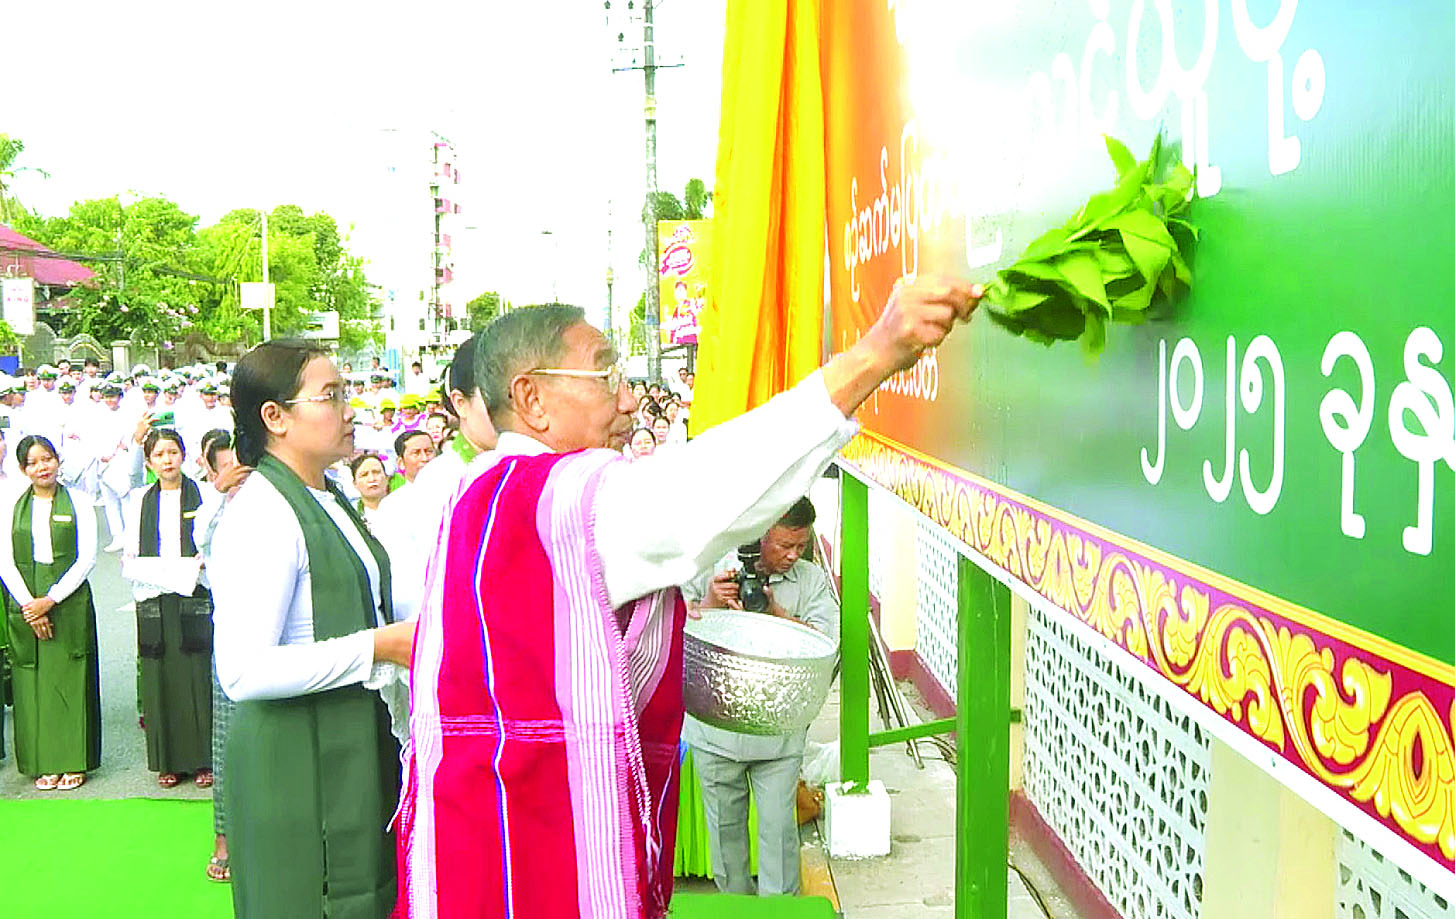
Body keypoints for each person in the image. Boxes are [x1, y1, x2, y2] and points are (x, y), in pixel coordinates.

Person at [397, 277, 982, 917]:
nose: (627, 399)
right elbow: (709, 489)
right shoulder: (558, 502)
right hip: (534, 852)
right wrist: (878, 352)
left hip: (480, 838)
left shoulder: (482, 491)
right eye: (605, 375)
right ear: (532, 398)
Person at [208, 340, 416, 918]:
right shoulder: (262, 513)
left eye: (346, 393)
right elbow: (243, 671)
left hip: (352, 743)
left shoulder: (328, 496)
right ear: (274, 417)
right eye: (330, 396)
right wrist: (379, 646)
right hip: (294, 760)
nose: (350, 410)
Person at [682, 497, 837, 896]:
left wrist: (776, 613)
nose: (793, 555)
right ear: (761, 534)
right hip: (715, 733)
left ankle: (779, 909)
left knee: (778, 835)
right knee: (725, 837)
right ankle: (736, 906)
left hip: (778, 737)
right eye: (785, 545)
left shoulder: (809, 580)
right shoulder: (709, 563)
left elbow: (827, 643)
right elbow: (668, 628)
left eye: (800, 546)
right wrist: (709, 603)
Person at [120, 427, 221, 790]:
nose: (167, 460)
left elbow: (214, 538)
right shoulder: (139, 500)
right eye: (159, 455)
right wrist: (132, 559)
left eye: (172, 453)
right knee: (159, 675)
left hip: (193, 592)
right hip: (156, 595)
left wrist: (204, 558)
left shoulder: (205, 495)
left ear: (183, 456)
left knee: (197, 674)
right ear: (149, 462)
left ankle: (203, 759)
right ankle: (168, 761)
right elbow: (131, 545)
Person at [0, 435, 101, 791]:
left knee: (70, 676)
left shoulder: (79, 501)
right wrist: (31, 606)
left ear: (58, 461)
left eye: (47, 459)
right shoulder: (11, 505)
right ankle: (43, 762)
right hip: (26, 600)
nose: (42, 467)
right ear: (23, 469)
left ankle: (73, 760)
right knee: (33, 681)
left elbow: (87, 558)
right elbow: (5, 561)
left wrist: (51, 600)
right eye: (33, 462)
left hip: (68, 599)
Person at [196, 428, 249, 883]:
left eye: (241, 464)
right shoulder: (212, 511)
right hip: (233, 636)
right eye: (226, 466)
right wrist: (219, 494)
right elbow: (201, 542)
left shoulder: (273, 500)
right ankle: (224, 837)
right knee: (227, 738)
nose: (237, 473)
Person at [350, 452, 390, 530]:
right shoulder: (351, 515)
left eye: (376, 472)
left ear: (386, 478)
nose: (372, 479)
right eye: (364, 475)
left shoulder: (404, 507)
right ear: (355, 484)